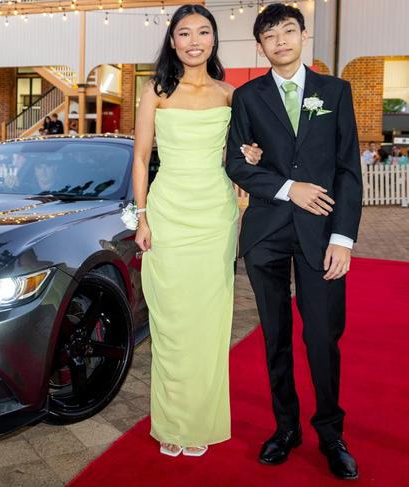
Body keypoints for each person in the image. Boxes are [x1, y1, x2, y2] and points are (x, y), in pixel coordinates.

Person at [225, 4, 362, 480]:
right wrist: (287, 188)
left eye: (288, 31)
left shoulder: (335, 91)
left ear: (303, 35)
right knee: (275, 338)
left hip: (322, 234)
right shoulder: (246, 97)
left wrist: (343, 238)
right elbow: (237, 165)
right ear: (260, 45)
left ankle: (330, 432)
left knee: (322, 336)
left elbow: (347, 170)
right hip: (266, 232)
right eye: (269, 34)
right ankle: (286, 428)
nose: (280, 40)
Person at [133, 4, 261, 458]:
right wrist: (141, 217)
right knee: (170, 323)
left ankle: (200, 423)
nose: (193, 41)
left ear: (213, 40)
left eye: (202, 32)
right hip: (167, 214)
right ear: (172, 42)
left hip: (214, 217)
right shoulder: (155, 90)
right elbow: (142, 158)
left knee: (207, 324)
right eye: (184, 33)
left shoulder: (231, 94)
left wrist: (250, 157)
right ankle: (171, 422)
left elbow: (240, 154)